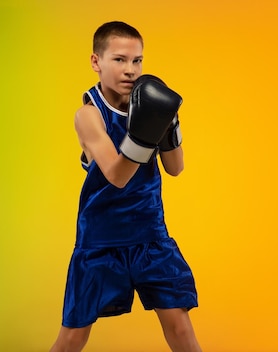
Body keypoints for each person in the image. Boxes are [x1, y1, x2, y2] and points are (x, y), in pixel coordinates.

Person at [50, 21, 202, 352]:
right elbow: (117, 177)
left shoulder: (147, 103)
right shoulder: (89, 115)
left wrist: (169, 123)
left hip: (150, 235)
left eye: (137, 61)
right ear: (96, 62)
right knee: (73, 336)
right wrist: (146, 131)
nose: (130, 70)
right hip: (101, 239)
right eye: (119, 60)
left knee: (180, 326)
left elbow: (175, 168)